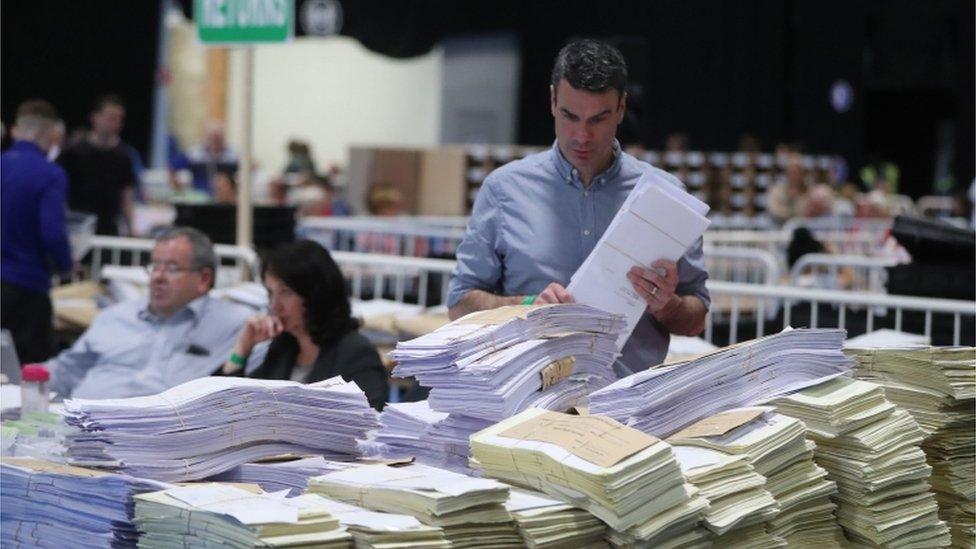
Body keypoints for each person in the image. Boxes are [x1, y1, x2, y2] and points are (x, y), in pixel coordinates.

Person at [447, 39, 709, 375]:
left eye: (598, 119)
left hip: (627, 402)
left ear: (621, 108)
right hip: (528, 395)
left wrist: (667, 305)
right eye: (571, 116)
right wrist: (527, 305)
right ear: (553, 100)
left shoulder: (666, 198)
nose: (582, 136)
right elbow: (460, 305)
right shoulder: (503, 189)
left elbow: (695, 318)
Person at [46, 227, 263, 399]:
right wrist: (18, 381)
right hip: (83, 429)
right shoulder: (115, 316)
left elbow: (257, 374)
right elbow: (67, 370)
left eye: (172, 268)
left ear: (204, 279)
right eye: (155, 266)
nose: (158, 277)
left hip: (162, 442)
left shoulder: (234, 324)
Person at [222, 240, 387, 410]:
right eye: (271, 293)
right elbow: (235, 407)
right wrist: (242, 348)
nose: (274, 305)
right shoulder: (284, 346)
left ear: (315, 294)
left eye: (286, 292)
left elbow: (370, 422)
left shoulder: (356, 353)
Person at [1, 99, 74, 363]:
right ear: (52, 135)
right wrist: (66, 266)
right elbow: (53, 232)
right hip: (26, 288)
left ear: (15, 130)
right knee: (30, 374)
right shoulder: (50, 174)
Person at [57, 94, 137, 235]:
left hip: (109, 229)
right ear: (95, 117)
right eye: (110, 118)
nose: (115, 124)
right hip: (77, 228)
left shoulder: (124, 155)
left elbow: (127, 196)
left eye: (119, 119)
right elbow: (57, 189)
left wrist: (131, 229)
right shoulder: (72, 152)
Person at [186, 120, 239, 194]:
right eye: (211, 136)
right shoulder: (193, 154)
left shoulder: (234, 155)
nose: (214, 140)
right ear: (205, 136)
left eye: (218, 136)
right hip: (199, 194)